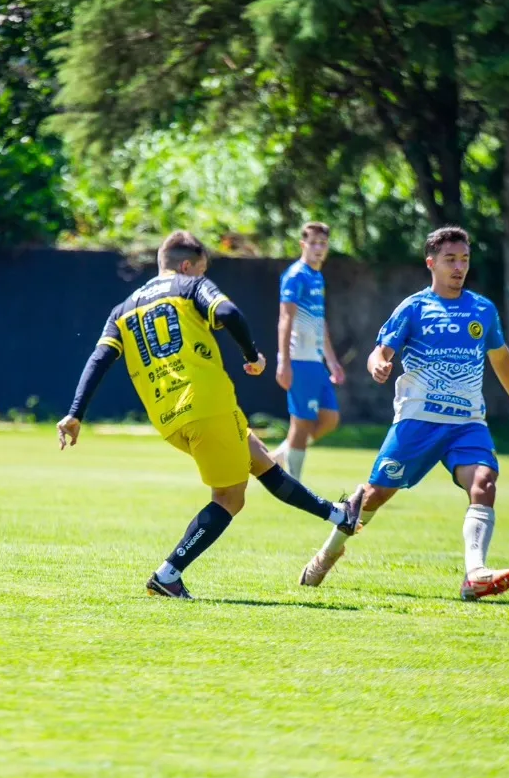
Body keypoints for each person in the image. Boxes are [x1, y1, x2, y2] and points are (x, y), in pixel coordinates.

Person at [58, 230, 365, 600]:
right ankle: (167, 573)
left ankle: (338, 515)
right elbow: (228, 312)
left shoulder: (121, 310)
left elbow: (99, 359)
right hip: (207, 404)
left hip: (170, 418)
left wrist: (75, 413)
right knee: (230, 498)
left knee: (259, 459)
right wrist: (252, 356)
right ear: (187, 266)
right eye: (199, 269)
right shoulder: (190, 286)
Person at [297, 226, 509, 601]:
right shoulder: (414, 308)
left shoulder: (482, 310)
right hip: (417, 423)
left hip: (467, 424)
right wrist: (378, 364)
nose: (459, 267)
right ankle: (327, 554)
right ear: (432, 264)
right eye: (450, 260)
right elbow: (381, 350)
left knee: (485, 482)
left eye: (464, 260)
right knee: (374, 496)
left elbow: (501, 359)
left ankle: (475, 574)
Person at [271, 222, 346, 479]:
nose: (318, 248)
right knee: (301, 424)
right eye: (313, 243)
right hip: (299, 360)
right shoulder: (295, 276)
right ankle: (293, 484)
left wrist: (332, 362)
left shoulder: (317, 276)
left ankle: (282, 454)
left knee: (330, 419)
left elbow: (319, 321)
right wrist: (284, 361)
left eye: (322, 244)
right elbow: (285, 318)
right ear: (303, 245)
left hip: (316, 362)